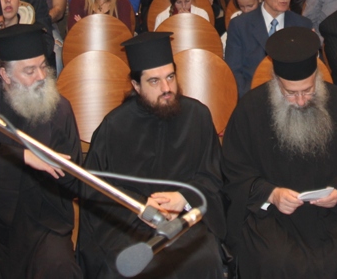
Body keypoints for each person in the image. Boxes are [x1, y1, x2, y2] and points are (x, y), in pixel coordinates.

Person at [222, 27, 337, 279]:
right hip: (272, 216)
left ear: (317, 77)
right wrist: (271, 193)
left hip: (331, 213)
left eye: (308, 90)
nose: (301, 101)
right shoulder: (250, 110)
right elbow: (235, 170)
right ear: (276, 81)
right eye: (291, 93)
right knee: (277, 260)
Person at [77, 32, 226, 278]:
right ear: (136, 86)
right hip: (128, 222)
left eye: (170, 77)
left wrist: (184, 197)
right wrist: (138, 206)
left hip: (184, 221)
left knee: (203, 258)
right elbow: (94, 189)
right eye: (154, 81)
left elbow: (213, 177)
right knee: (129, 264)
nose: (166, 89)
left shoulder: (197, 116)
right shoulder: (114, 126)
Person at [0, 24, 82, 279]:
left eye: (43, 66)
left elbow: (73, 179)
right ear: (5, 75)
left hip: (42, 219)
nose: (41, 76)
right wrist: (21, 156)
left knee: (60, 268)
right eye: (29, 71)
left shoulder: (59, 109)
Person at [224, 0, 313, 95]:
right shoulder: (240, 26)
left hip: (294, 98)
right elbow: (234, 72)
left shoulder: (302, 25)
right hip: (252, 96)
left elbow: (311, 73)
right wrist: (251, 100)